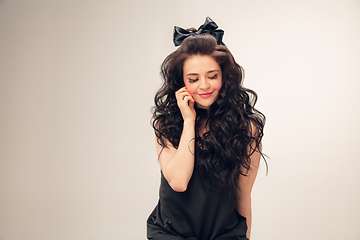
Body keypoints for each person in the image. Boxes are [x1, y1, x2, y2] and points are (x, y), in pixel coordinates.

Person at [147, 17, 266, 240]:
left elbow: (243, 197)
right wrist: (189, 122)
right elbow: (179, 182)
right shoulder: (166, 125)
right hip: (170, 235)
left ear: (225, 77)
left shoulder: (246, 128)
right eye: (193, 79)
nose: (204, 86)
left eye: (212, 76)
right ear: (181, 82)